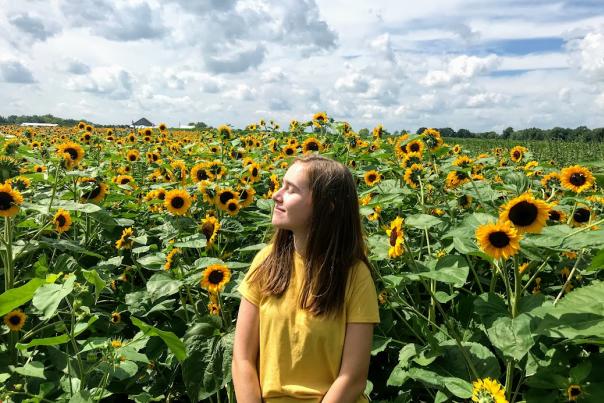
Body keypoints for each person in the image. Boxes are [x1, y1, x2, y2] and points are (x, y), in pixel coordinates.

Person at [232, 154, 380, 402]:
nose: (276, 196)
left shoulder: (354, 276)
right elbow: (242, 358)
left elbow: (353, 378)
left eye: (291, 190)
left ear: (327, 205)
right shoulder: (266, 262)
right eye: (282, 186)